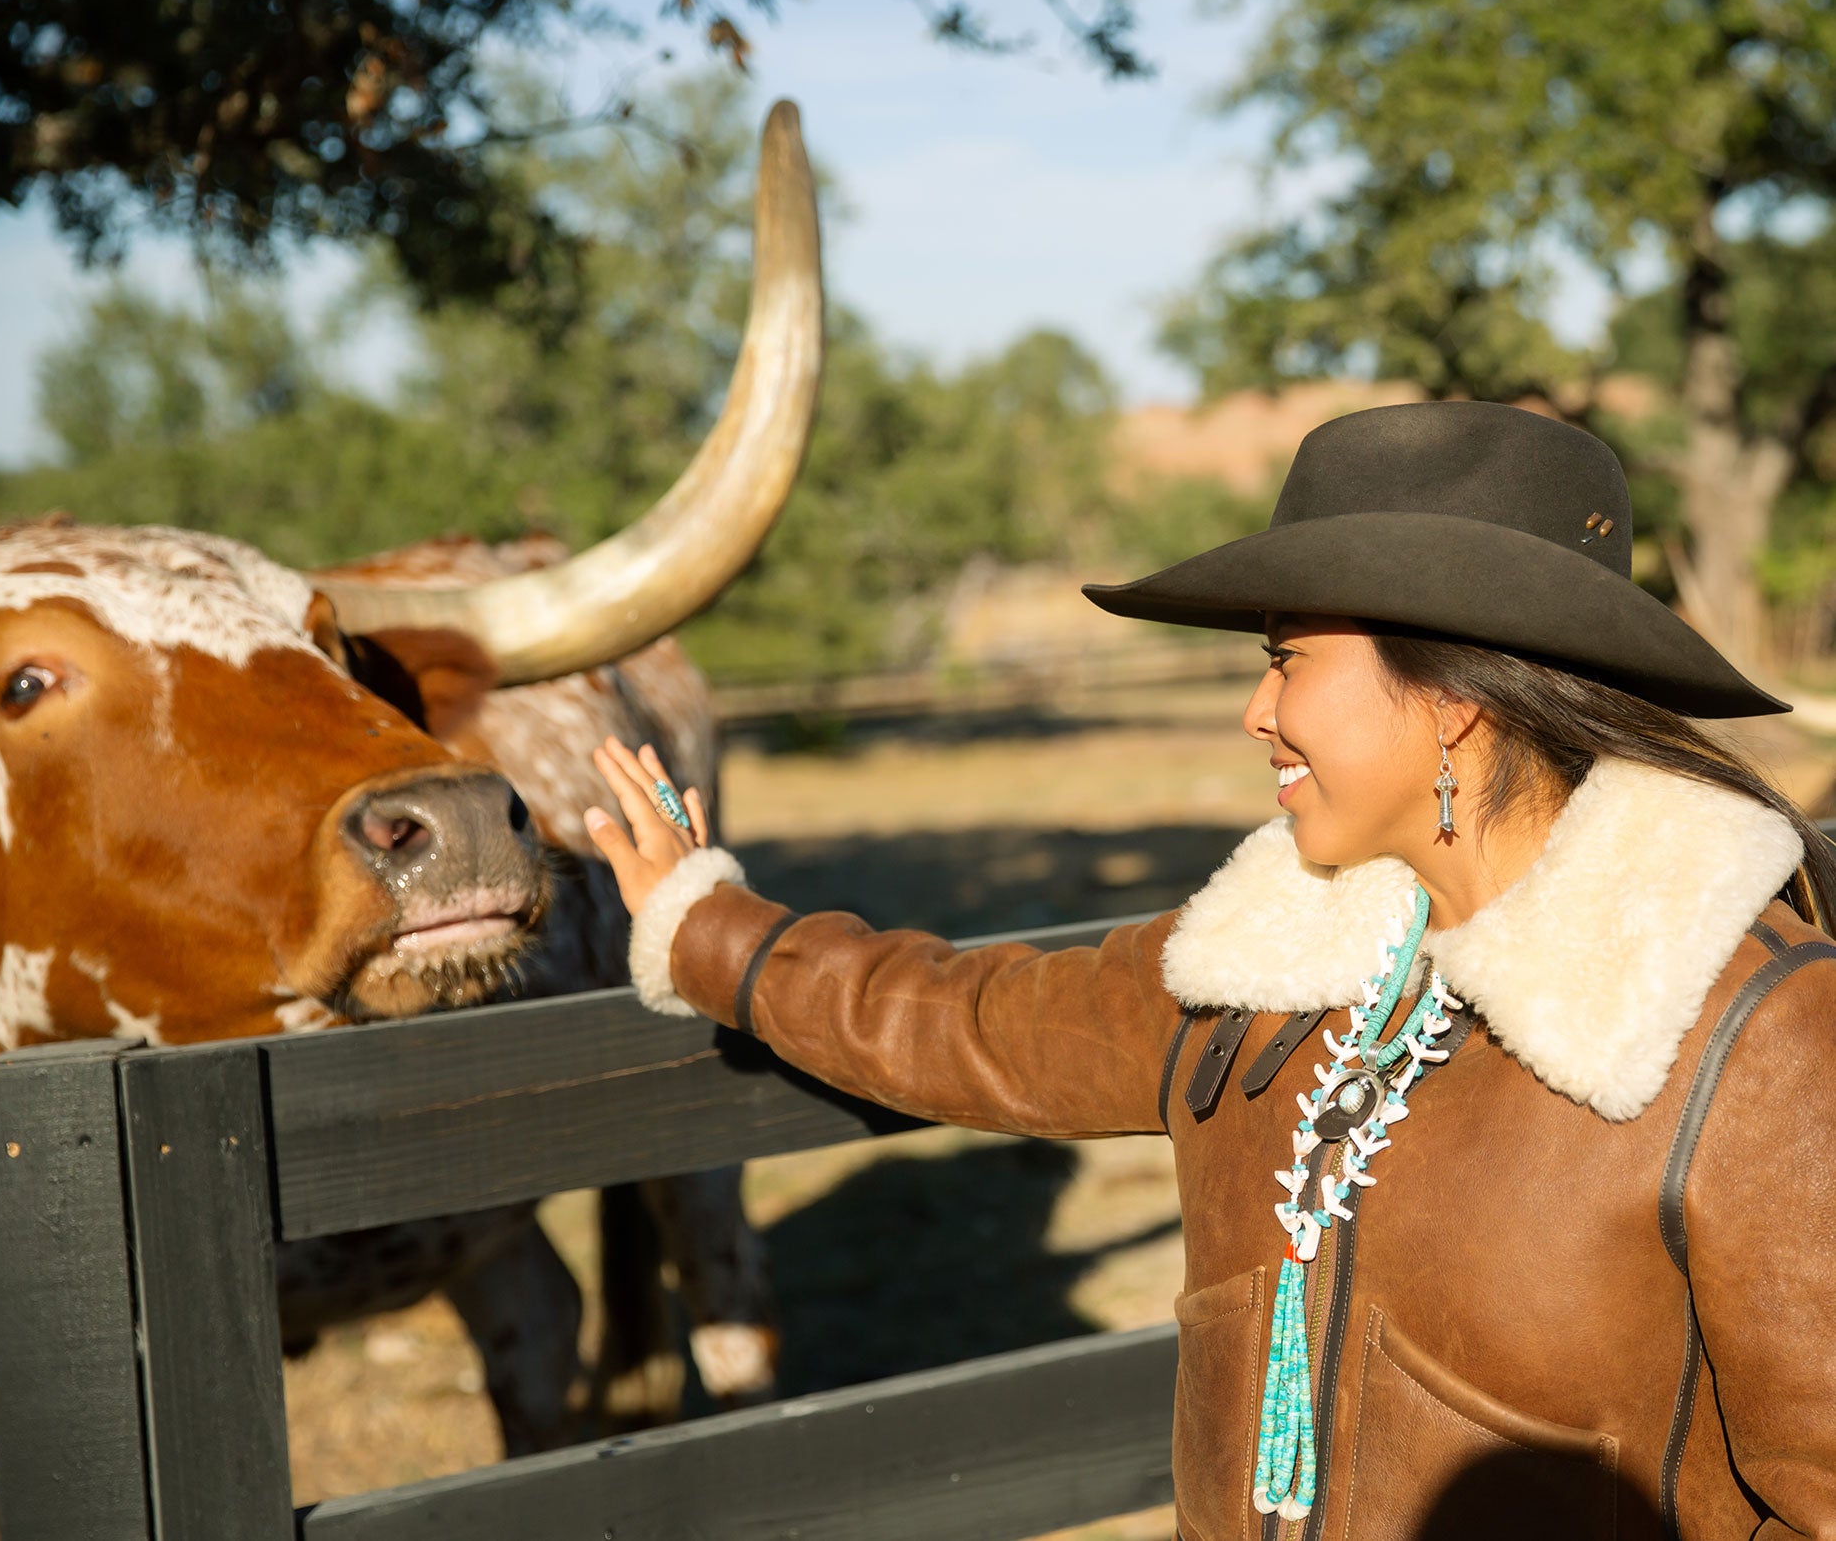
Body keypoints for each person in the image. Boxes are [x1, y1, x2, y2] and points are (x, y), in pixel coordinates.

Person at [583, 400, 1836, 1541]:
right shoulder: (1272, 957)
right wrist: (707, 926)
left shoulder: (1744, 1026)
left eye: (1288, 657)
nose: (1256, 710)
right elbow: (975, 1024)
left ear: (1450, 693)